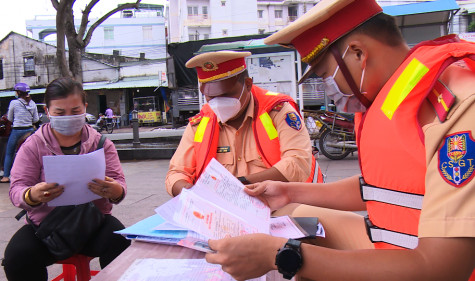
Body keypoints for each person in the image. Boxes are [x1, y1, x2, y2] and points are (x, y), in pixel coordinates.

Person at [204, 0, 475, 280]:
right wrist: (289, 192)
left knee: (293, 250)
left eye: (324, 75)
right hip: (397, 241)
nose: (327, 88)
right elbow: (381, 187)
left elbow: (443, 269)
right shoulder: (392, 96)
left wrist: (281, 256)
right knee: (293, 214)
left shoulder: (459, 106)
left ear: (358, 53)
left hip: (432, 265)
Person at [2, 77, 130, 281]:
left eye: (76, 111)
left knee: (123, 243)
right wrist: (32, 195)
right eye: (60, 113)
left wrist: (114, 191)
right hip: (46, 228)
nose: (68, 117)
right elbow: (17, 189)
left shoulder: (102, 143)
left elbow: (119, 184)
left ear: (85, 107)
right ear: (47, 111)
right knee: (16, 258)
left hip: (94, 223)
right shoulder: (33, 145)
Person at [166, 50, 323, 197]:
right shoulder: (200, 123)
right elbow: (177, 172)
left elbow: (298, 163)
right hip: (224, 211)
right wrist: (189, 192)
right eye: (210, 97)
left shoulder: (278, 111)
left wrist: (237, 185)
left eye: (226, 95)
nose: (218, 102)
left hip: (279, 203)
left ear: (248, 84)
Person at [0, 83, 39, 183]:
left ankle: (6, 176)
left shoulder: (14, 103)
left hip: (17, 131)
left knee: (9, 153)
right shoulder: (32, 103)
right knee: (33, 153)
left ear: (18, 92)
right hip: (30, 131)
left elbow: (9, 118)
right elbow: (36, 119)